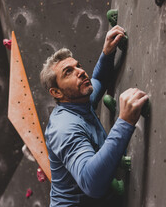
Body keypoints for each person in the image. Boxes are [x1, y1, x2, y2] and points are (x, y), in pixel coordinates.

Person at [40, 25, 149, 206]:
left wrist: (107, 53)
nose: (80, 71)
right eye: (68, 72)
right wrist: (124, 122)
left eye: (78, 66)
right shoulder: (64, 128)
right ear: (57, 93)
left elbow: (98, 80)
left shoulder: (79, 101)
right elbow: (92, 183)